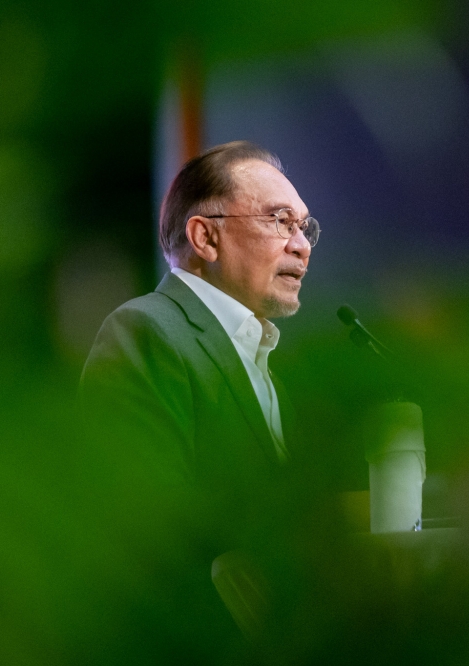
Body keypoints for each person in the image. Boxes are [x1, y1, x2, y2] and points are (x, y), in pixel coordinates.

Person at [75, 141, 320, 660]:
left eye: (305, 227)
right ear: (205, 237)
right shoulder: (147, 329)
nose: (302, 245)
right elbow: (142, 531)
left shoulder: (266, 362)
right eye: (281, 221)